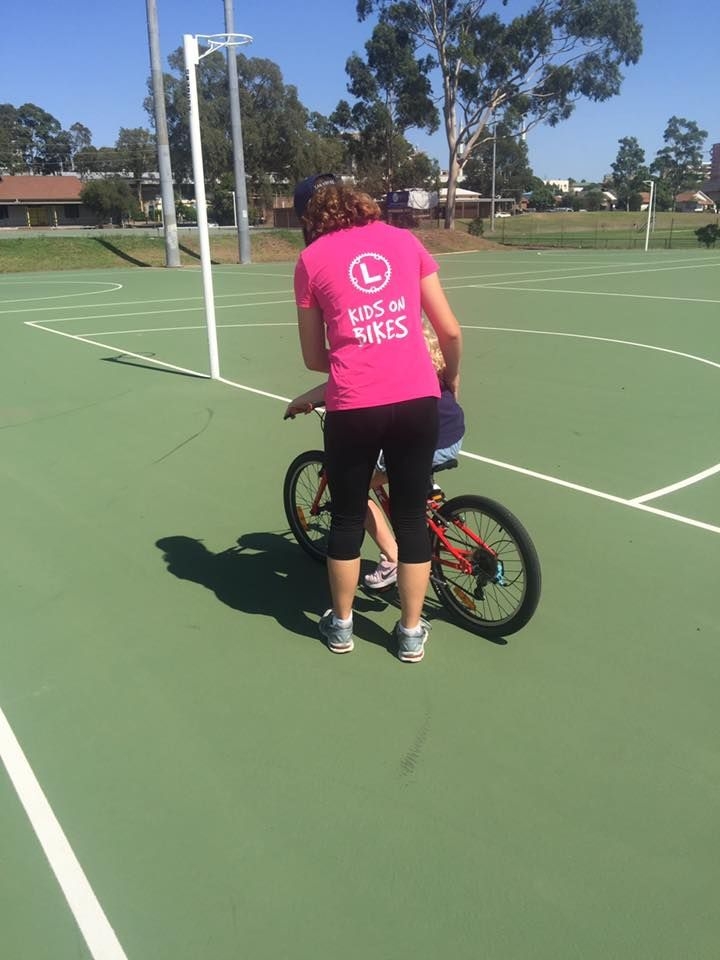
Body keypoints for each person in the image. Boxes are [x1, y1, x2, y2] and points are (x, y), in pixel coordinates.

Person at [290, 173, 462, 663]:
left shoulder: (310, 260)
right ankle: (409, 632)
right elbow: (448, 330)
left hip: (354, 403)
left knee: (346, 517)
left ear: (311, 217)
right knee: (410, 518)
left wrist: (356, 353)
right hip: (416, 398)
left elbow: (311, 356)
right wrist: (450, 376)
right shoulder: (405, 243)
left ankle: (341, 627)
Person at [285, 325, 465, 591]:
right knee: (414, 462)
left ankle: (392, 558)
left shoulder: (390, 368)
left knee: (355, 490)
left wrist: (298, 401)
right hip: (452, 437)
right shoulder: (434, 369)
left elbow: (336, 385)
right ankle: (428, 485)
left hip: (421, 440)